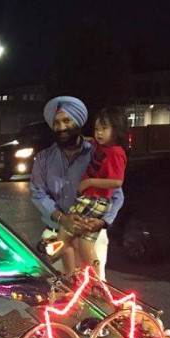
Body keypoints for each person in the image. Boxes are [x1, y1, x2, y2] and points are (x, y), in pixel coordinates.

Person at [31, 96, 125, 280]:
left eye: (67, 120)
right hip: (56, 233)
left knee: (95, 290)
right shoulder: (43, 159)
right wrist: (62, 218)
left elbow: (117, 195)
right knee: (55, 291)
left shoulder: (98, 153)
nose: (61, 127)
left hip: (90, 236)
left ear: (78, 122)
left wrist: (103, 222)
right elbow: (38, 194)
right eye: (56, 122)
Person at [58, 107, 128, 274]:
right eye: (96, 129)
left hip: (93, 200)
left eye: (104, 128)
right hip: (97, 202)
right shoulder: (101, 146)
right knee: (86, 245)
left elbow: (117, 183)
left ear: (116, 129)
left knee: (61, 241)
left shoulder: (115, 152)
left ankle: (71, 276)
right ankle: (97, 282)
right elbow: (89, 141)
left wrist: (89, 182)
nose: (99, 133)